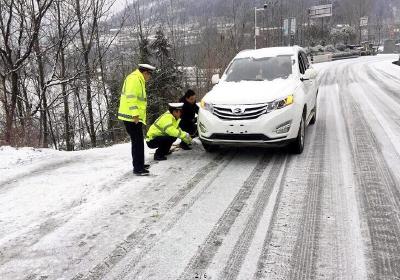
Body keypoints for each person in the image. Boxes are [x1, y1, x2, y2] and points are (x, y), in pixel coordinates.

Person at [118, 64, 156, 176]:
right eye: (149, 75)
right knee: (137, 142)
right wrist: (135, 115)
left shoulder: (138, 78)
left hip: (134, 117)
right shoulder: (134, 79)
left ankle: (140, 164)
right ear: (145, 73)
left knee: (138, 141)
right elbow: (131, 97)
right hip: (131, 117)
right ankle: (138, 168)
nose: (149, 78)